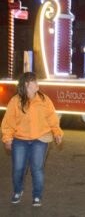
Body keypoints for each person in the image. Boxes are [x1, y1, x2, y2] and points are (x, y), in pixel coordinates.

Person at [1, 72, 63, 207]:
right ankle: (18, 191)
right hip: (20, 140)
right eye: (35, 82)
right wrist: (7, 138)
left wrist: (57, 132)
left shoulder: (44, 100)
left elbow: (52, 118)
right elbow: (8, 122)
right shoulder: (15, 101)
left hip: (40, 139)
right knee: (18, 168)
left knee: (37, 168)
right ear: (27, 85)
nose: (37, 84)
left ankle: (37, 196)